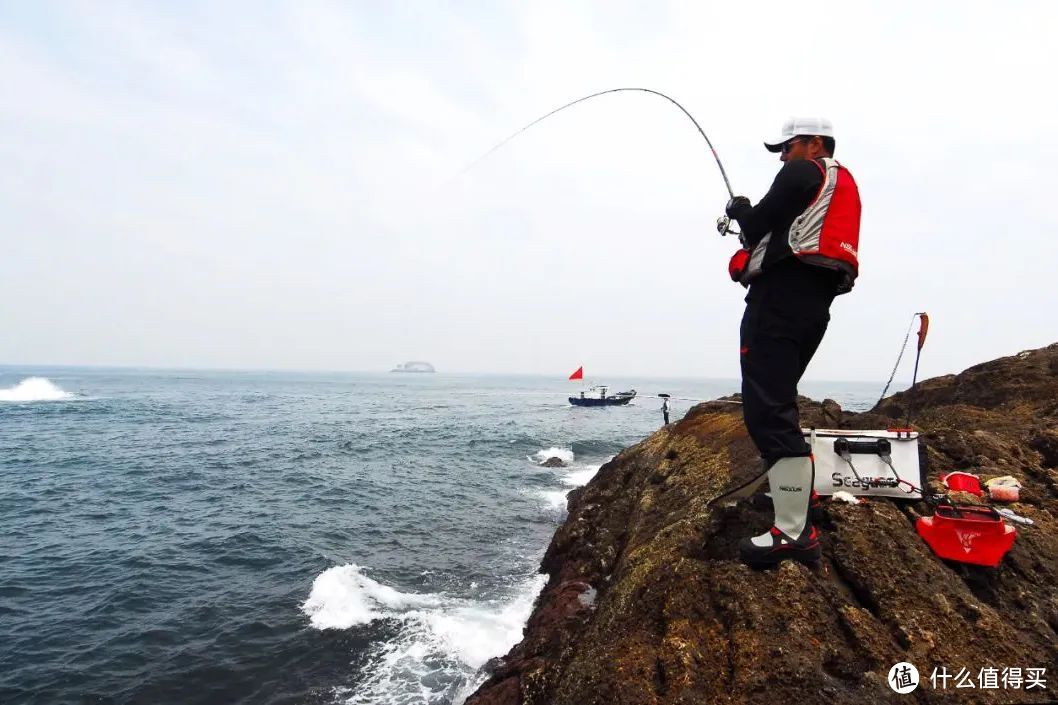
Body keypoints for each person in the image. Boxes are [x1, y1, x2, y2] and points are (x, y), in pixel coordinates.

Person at [722, 117, 861, 566]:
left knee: (766, 409)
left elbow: (760, 219)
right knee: (779, 401)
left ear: (814, 143)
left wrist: (740, 208)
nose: (782, 156)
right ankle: (796, 501)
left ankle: (793, 533)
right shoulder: (840, 183)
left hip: (779, 302)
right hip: (812, 305)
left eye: (787, 146)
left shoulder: (805, 170)